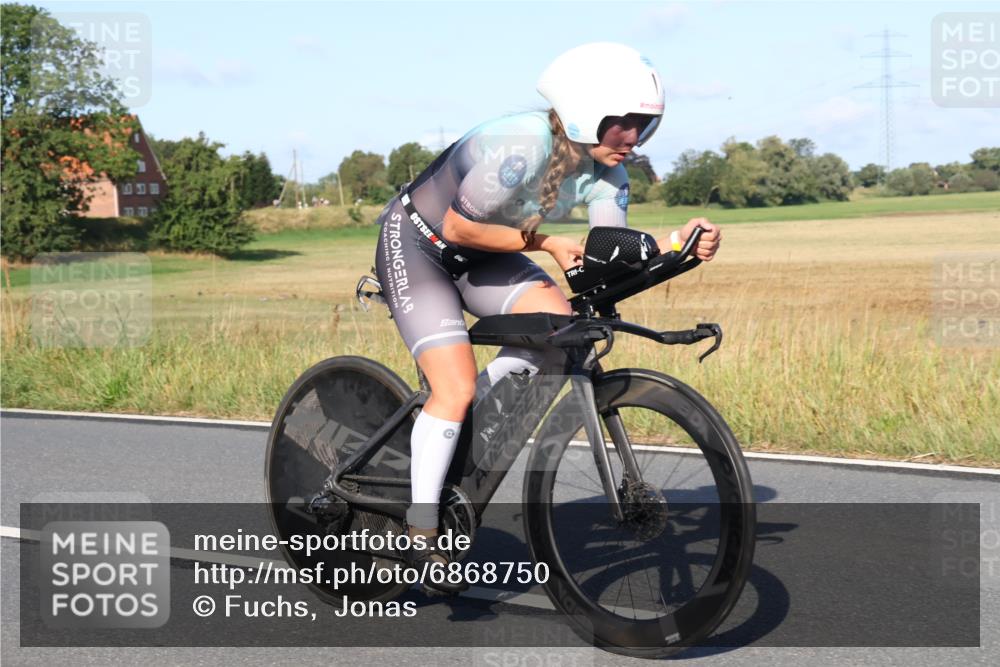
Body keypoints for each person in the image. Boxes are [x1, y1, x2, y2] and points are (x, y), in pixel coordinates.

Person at [371, 42, 721, 593]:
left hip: (487, 255)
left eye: (642, 125)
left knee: (561, 333)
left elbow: (605, 254)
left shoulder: (612, 175)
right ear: (583, 112)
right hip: (421, 247)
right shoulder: (523, 142)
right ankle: (421, 529)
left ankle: (453, 425)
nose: (632, 137)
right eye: (621, 123)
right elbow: (460, 230)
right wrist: (548, 240)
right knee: (455, 387)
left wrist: (679, 243)